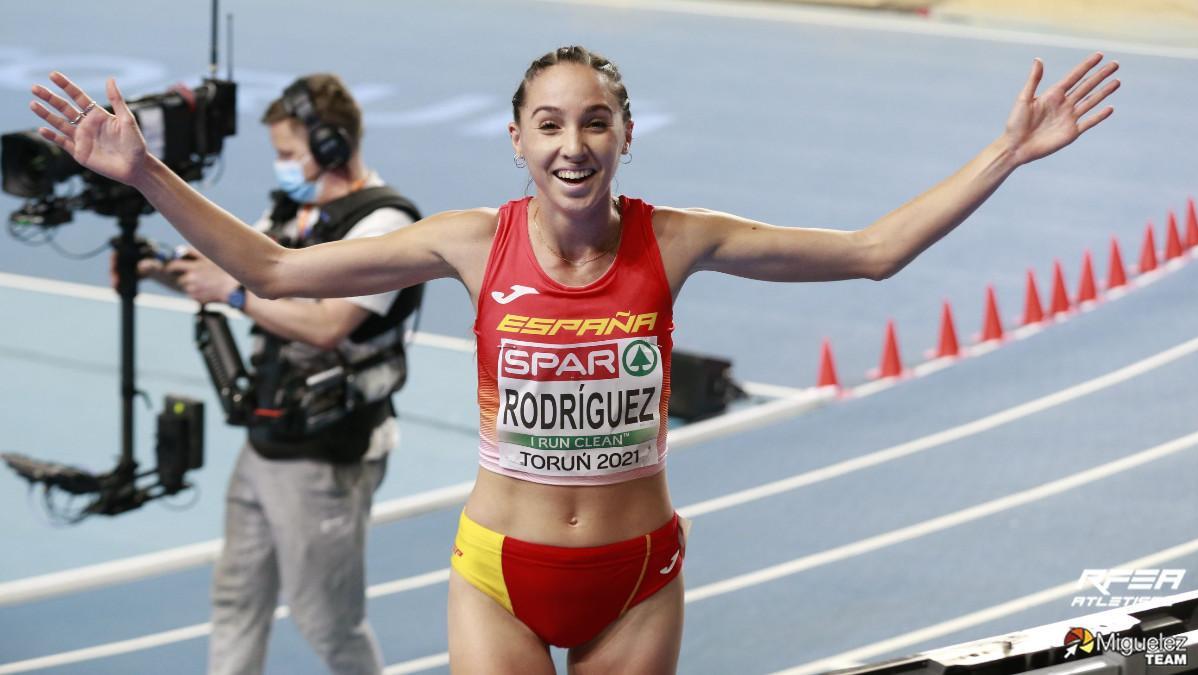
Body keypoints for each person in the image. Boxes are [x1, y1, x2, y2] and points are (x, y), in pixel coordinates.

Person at [31, 45, 1118, 673]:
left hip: (637, 580)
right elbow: (271, 272)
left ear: (623, 137)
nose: (572, 144)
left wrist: (1006, 154)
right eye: (549, 124)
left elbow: (874, 254)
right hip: (500, 578)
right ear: (517, 140)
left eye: (595, 122)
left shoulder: (678, 239)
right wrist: (146, 180)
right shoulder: (466, 241)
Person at [119, 74, 422, 675]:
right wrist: (159, 270)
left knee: (327, 623)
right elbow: (233, 268)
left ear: (331, 146)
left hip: (326, 450)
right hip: (268, 433)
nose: (281, 166)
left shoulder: (384, 225)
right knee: (235, 596)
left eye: (288, 153)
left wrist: (231, 293)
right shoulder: (292, 207)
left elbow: (326, 325)